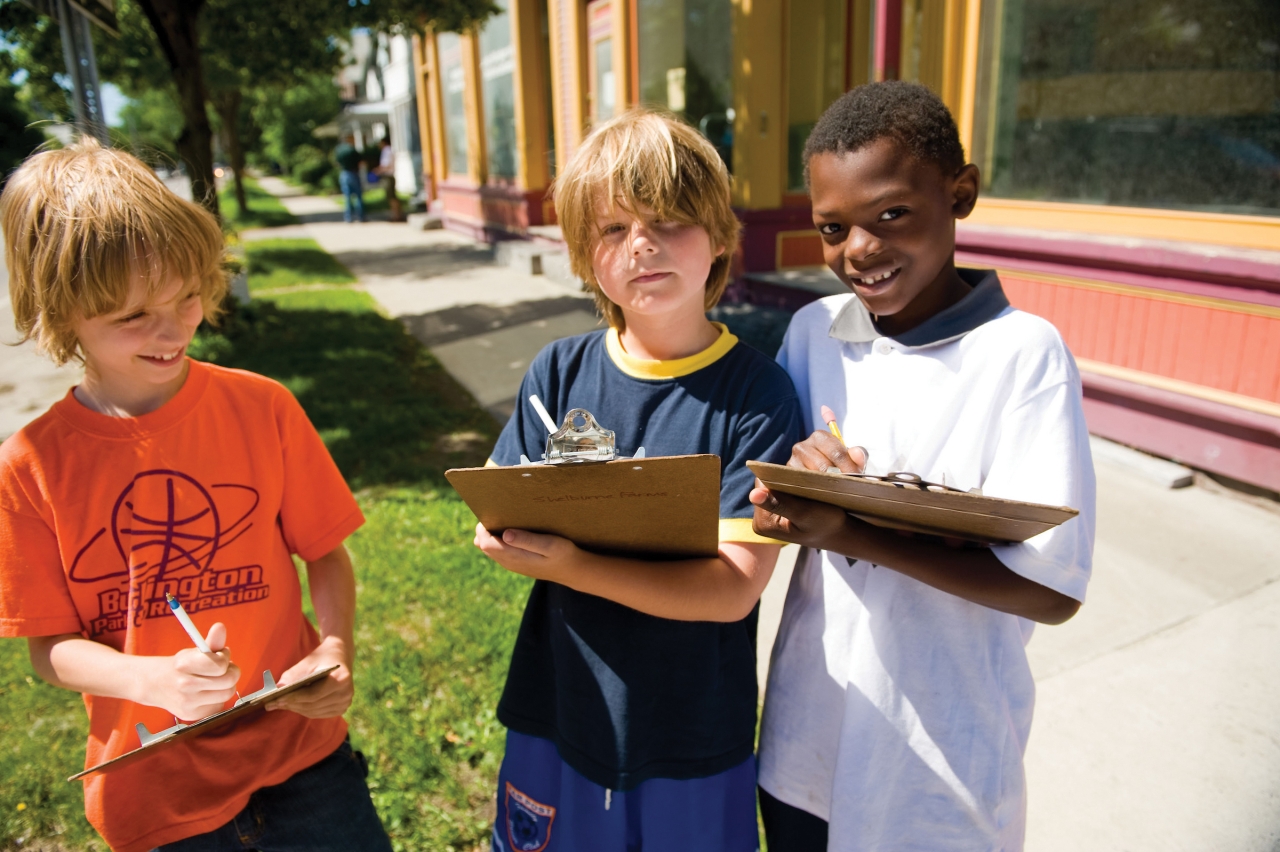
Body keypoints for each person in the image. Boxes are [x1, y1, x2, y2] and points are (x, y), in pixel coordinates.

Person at [0, 140, 391, 852]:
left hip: (300, 756)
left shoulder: (263, 408)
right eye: (132, 317)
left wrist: (333, 647)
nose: (174, 328)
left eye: (187, 297)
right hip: (153, 787)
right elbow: (49, 649)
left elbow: (326, 556)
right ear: (62, 312)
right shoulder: (29, 467)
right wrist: (149, 677)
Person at [750, 81, 1096, 852]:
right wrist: (783, 499)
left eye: (891, 215)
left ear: (961, 193)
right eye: (832, 228)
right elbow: (768, 510)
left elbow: (1051, 589)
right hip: (808, 737)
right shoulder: (814, 332)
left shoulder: (1022, 354)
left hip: (942, 767)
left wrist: (851, 530)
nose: (860, 250)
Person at [472, 108, 805, 852]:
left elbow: (730, 589)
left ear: (719, 237)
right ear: (584, 256)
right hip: (559, 705)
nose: (641, 246)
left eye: (667, 221)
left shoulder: (757, 396)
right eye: (613, 229)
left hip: (688, 731)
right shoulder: (559, 372)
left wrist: (573, 563)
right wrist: (506, 533)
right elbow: (490, 518)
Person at [334, 133, 365, 223]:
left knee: (347, 197)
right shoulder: (352, 150)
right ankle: (361, 217)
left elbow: (337, 163)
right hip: (354, 173)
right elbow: (361, 162)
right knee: (358, 196)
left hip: (344, 173)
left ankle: (348, 218)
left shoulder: (339, 151)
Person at [375, 137, 404, 223]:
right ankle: (397, 214)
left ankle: (396, 215)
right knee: (392, 197)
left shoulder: (386, 151)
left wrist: (377, 170)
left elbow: (386, 165)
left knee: (392, 197)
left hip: (388, 175)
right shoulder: (389, 150)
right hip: (390, 175)